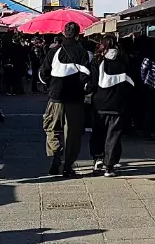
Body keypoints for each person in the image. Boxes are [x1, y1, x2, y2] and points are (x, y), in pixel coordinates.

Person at [40, 22, 90, 178]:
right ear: (78, 35)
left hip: (56, 97)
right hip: (75, 99)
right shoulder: (82, 53)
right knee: (73, 133)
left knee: (51, 128)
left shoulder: (54, 51)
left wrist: (51, 85)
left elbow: (43, 74)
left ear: (63, 33)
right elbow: (86, 77)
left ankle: (56, 154)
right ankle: (68, 166)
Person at [88, 35, 134, 177]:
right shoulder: (124, 60)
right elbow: (131, 83)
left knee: (98, 132)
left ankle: (98, 159)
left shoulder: (97, 60)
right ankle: (109, 166)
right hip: (118, 103)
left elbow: (92, 83)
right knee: (113, 135)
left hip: (99, 103)